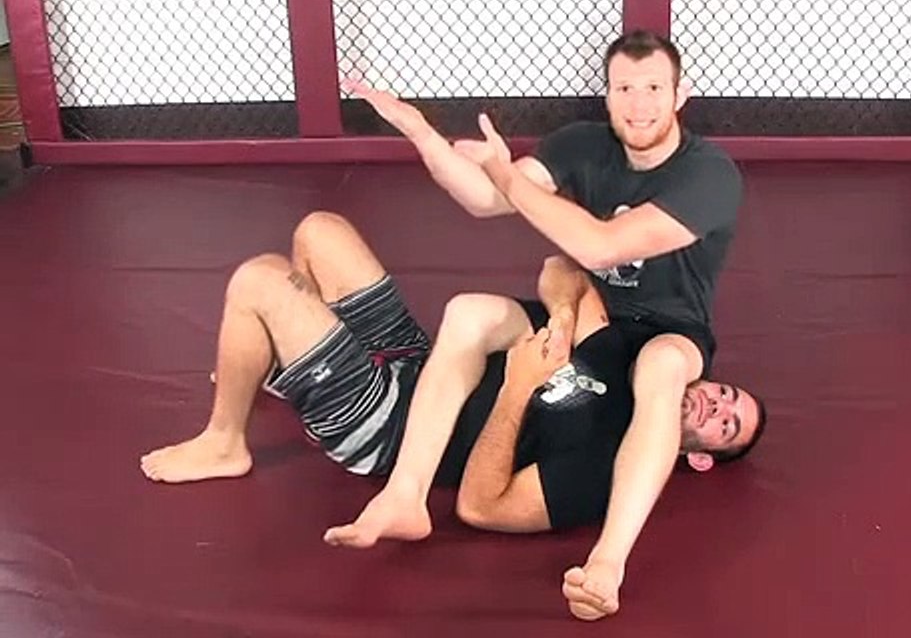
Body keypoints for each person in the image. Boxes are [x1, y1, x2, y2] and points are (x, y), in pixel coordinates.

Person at [333, 30, 743, 620]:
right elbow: (483, 198)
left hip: (668, 328)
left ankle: (608, 562)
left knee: (661, 366)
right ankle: (406, 494)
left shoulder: (709, 174)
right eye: (625, 89)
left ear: (681, 94)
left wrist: (508, 177)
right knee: (469, 312)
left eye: (654, 88)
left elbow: (600, 246)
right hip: (591, 310)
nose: (639, 104)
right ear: (607, 95)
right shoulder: (584, 145)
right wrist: (420, 132)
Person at [139, 212, 764, 538]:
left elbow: (482, 507)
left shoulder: (609, 475)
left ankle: (225, 441)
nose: (716, 405)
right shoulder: (629, 362)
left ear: (700, 458)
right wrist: (563, 318)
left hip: (385, 426)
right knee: (319, 231)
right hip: (418, 360)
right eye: (726, 394)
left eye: (727, 425)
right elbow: (567, 273)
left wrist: (518, 388)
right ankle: (277, 365)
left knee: (260, 279)